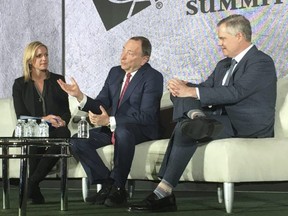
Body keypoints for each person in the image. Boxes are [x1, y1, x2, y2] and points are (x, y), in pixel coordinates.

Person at [128, 14, 277, 212]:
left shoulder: (261, 62)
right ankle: (197, 117)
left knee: (187, 124)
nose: (219, 44)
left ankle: (164, 192)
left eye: (223, 38)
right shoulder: (223, 65)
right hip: (220, 120)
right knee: (184, 101)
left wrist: (193, 91)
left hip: (247, 124)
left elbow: (236, 92)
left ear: (239, 36)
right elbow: (205, 89)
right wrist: (183, 88)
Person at [57, 36, 164, 207]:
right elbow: (102, 103)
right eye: (123, 50)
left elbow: (147, 116)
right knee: (77, 141)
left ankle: (119, 187)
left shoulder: (153, 77)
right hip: (112, 127)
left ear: (144, 59)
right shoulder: (115, 72)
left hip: (141, 130)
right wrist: (80, 96)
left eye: (130, 53)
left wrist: (110, 120)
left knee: (123, 131)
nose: (122, 56)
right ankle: (108, 185)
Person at [12, 41, 71, 204]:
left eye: (46, 54)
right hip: (30, 128)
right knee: (32, 140)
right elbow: (21, 116)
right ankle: (35, 191)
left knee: (64, 134)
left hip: (54, 129)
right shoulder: (19, 84)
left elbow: (66, 111)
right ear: (30, 60)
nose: (44, 58)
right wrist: (43, 120)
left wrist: (63, 121)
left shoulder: (58, 80)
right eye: (39, 56)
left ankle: (31, 184)